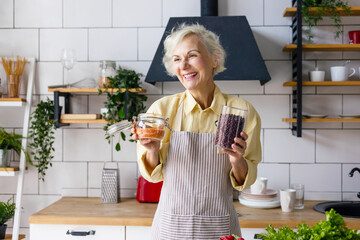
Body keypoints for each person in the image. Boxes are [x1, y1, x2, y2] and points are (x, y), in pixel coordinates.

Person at [132, 23, 262, 239]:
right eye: (177, 59)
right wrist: (153, 151)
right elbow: (152, 178)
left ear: (214, 59)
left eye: (192, 55)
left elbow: (244, 181)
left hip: (219, 228)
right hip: (170, 228)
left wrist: (238, 160)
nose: (183, 65)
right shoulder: (162, 111)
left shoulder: (241, 111)